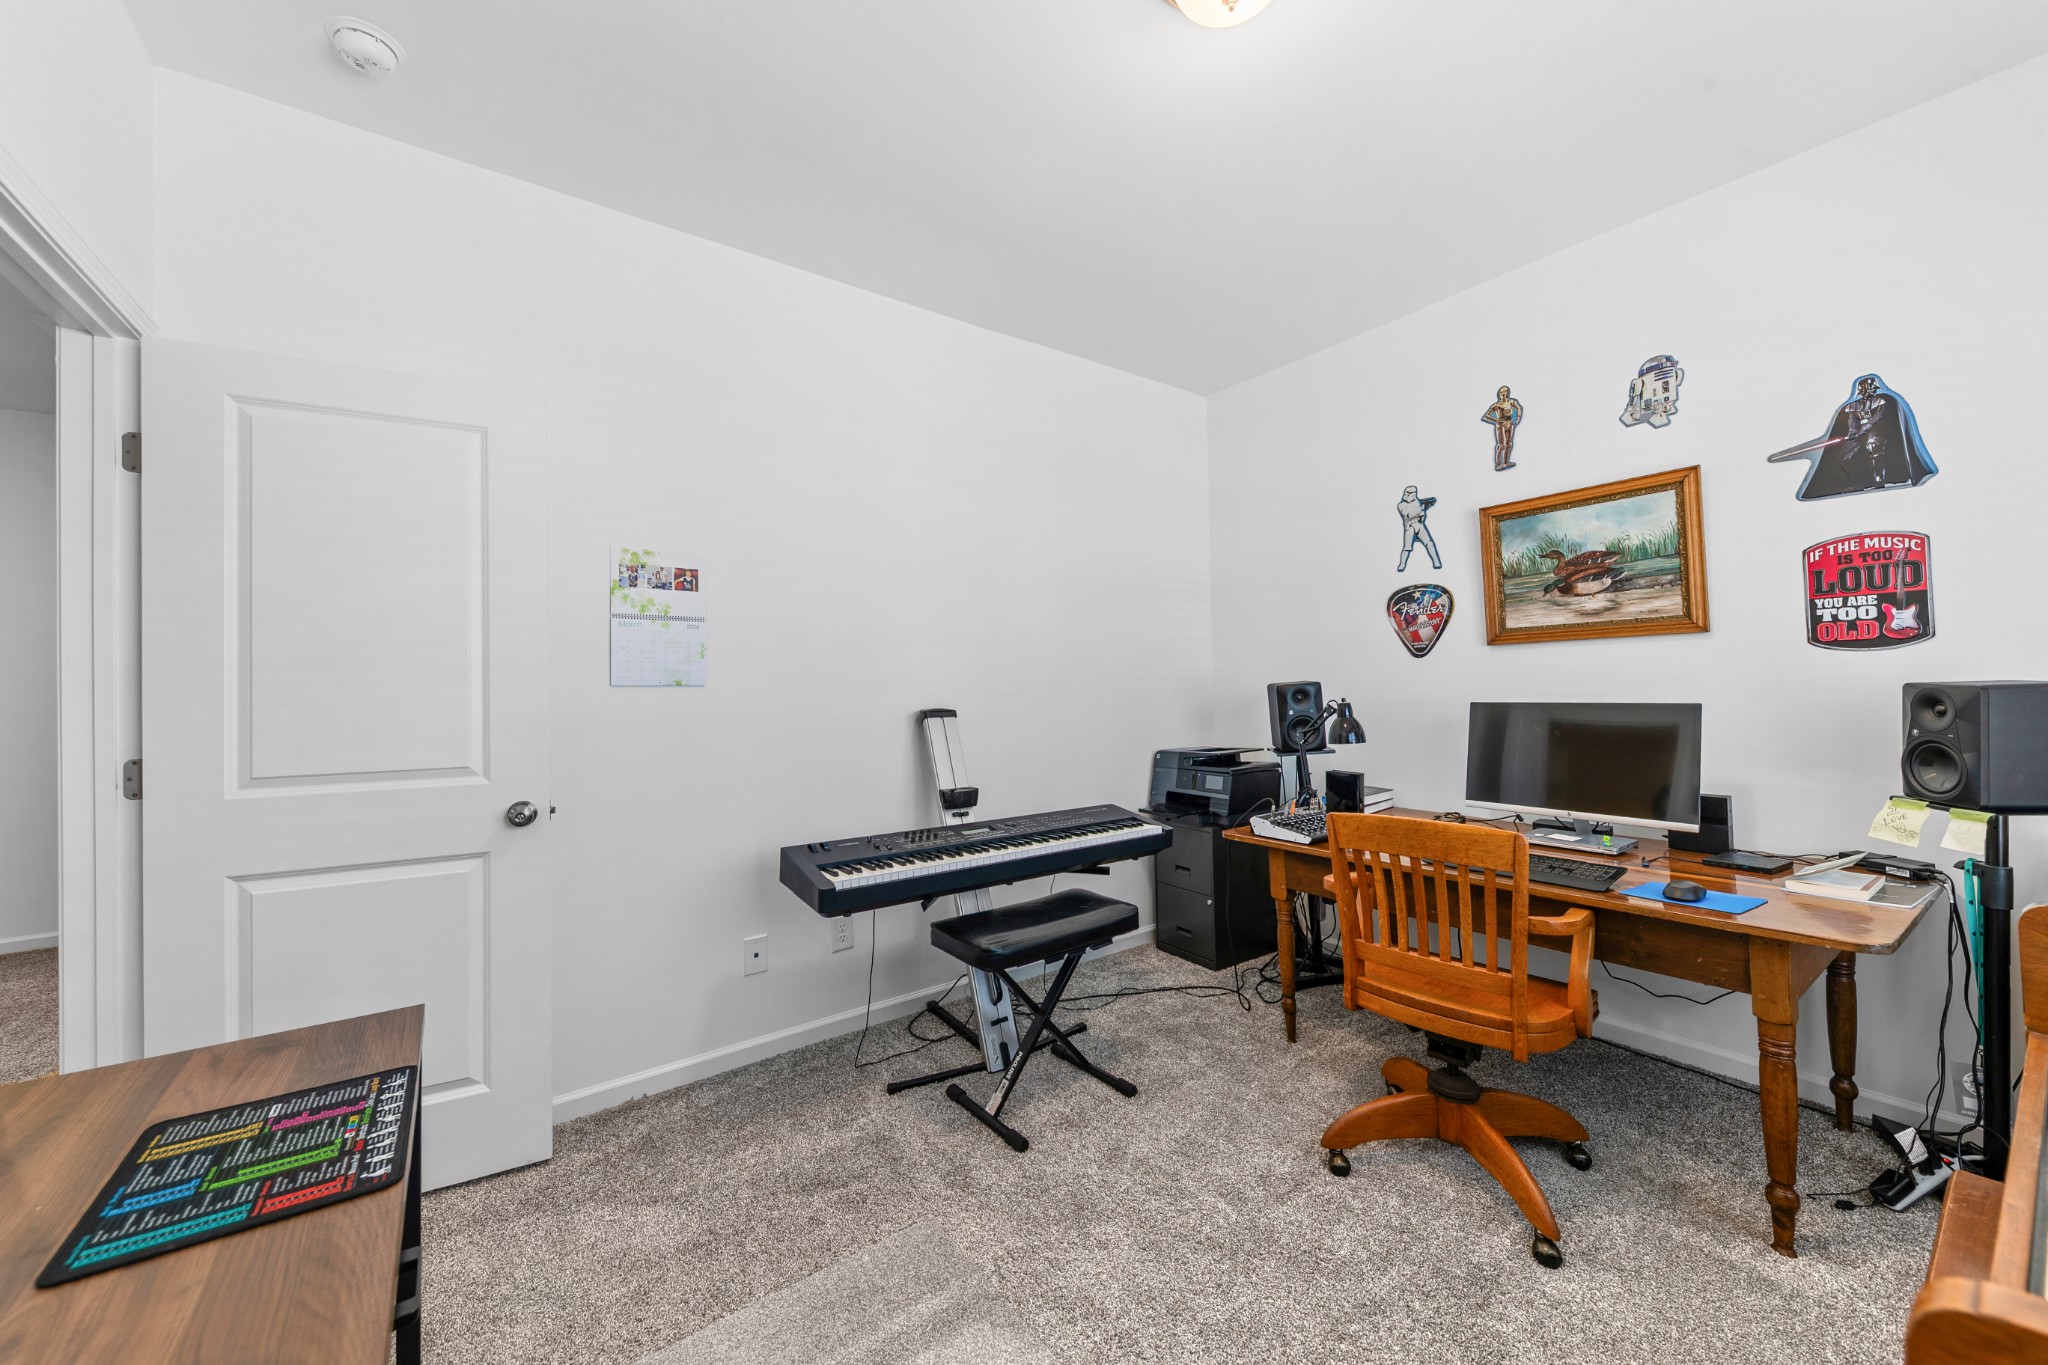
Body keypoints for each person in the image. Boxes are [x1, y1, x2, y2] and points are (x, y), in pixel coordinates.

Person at [1395, 486, 1441, 571]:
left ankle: (1436, 561)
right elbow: (1408, 515)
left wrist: (1424, 509)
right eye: (1406, 492)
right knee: (1407, 548)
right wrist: (1421, 508)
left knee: (1429, 543)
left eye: (1409, 492)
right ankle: (1402, 564)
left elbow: (1421, 515)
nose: (1406, 494)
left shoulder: (1416, 502)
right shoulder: (1401, 505)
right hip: (1409, 526)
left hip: (1419, 525)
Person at [1481, 385, 1523, 470]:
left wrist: (1518, 417)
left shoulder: (1512, 402)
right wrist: (1496, 420)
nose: (1503, 394)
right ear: (1499, 394)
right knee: (1501, 445)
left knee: (1509, 444)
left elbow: (1519, 408)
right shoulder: (1496, 405)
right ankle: (1498, 464)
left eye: (1505, 392)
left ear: (1507, 393)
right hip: (1501, 425)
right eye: (1501, 392)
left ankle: (1506, 462)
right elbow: (1485, 416)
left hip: (1510, 424)